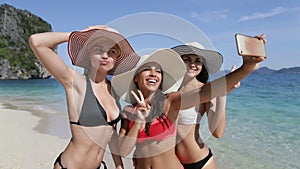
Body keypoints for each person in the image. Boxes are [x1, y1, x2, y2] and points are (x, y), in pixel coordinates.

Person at [111, 35, 266, 169]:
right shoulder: (132, 110)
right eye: (146, 69)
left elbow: (205, 94)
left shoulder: (171, 100)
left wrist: (246, 68)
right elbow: (123, 150)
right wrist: (138, 121)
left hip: (193, 160)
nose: (153, 74)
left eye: (158, 70)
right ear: (136, 78)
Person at [29, 25, 140, 169]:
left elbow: (110, 133)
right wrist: (80, 35)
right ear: (89, 54)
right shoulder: (75, 82)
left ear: (116, 58)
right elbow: (36, 41)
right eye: (99, 50)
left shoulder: (112, 90)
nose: (105, 55)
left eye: (111, 51)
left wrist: (119, 165)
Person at [172, 42, 240, 169]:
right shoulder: (168, 89)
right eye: (187, 59)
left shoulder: (206, 91)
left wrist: (222, 95)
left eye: (198, 61)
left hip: (199, 162)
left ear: (202, 66)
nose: (193, 64)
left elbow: (217, 133)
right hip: (170, 164)